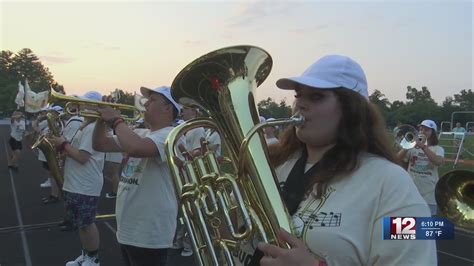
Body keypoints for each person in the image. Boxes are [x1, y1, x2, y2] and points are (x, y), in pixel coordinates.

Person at [247, 55, 436, 265]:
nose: (300, 104)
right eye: (298, 95)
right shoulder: (274, 165)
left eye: (316, 97)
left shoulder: (393, 183)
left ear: (351, 109)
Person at [92, 86, 181, 266]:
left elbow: (136, 148)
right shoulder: (142, 133)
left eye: (153, 100)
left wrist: (115, 120)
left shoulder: (171, 136)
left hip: (149, 232)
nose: (146, 103)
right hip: (130, 229)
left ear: (168, 108)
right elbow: (100, 144)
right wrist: (100, 120)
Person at [49, 91, 105, 266]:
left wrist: (63, 144)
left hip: (85, 184)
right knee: (82, 225)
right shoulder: (84, 126)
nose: (81, 106)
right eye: (81, 102)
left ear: (96, 106)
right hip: (75, 183)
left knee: (87, 224)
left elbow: (82, 157)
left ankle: (93, 259)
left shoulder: (91, 128)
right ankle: (86, 254)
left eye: (86, 103)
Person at [398, 120, 445, 215]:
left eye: (426, 130)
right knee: (408, 223)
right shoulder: (412, 148)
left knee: (425, 224)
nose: (422, 132)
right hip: (411, 192)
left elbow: (438, 161)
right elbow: (396, 159)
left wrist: (423, 146)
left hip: (429, 194)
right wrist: (407, 146)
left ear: (433, 133)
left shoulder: (438, 149)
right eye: (421, 129)